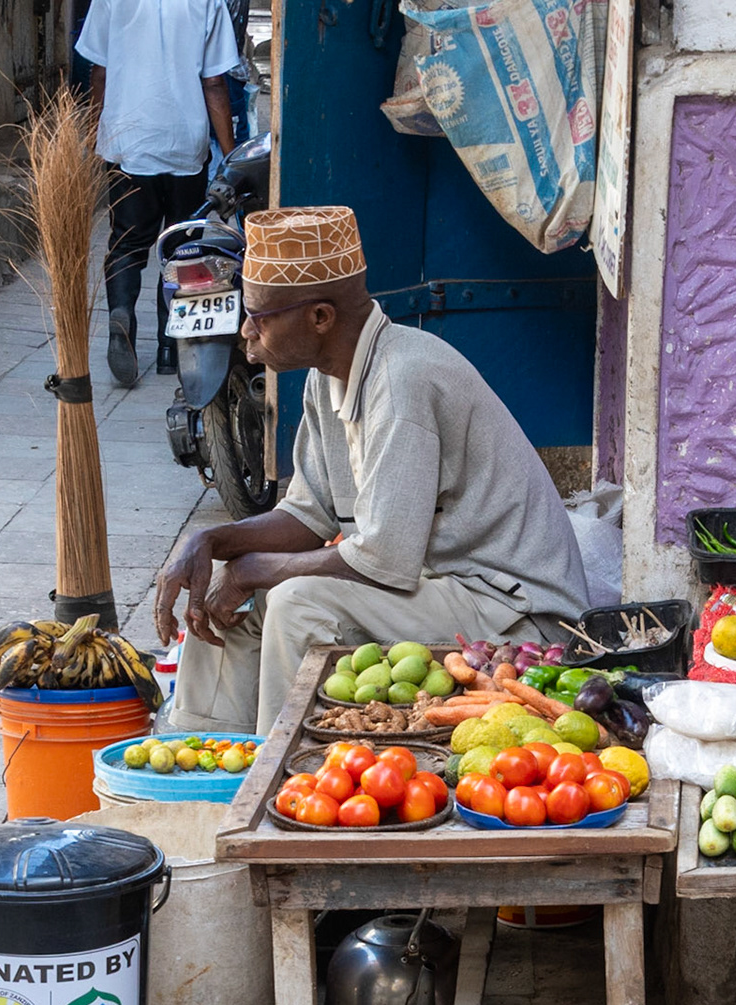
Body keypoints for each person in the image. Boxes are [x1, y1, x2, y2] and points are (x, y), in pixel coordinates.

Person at [156, 207, 590, 735]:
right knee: (233, 602)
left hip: (513, 609)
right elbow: (308, 514)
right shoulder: (326, 376)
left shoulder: (404, 379)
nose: (245, 332)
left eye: (260, 316)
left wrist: (252, 569)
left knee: (294, 603)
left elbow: (382, 558)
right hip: (441, 585)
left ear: (320, 317)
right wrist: (212, 543)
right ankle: (199, 756)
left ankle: (278, 784)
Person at [76, 0, 243, 389]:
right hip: (185, 142)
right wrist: (230, 154)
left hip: (128, 141)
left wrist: (91, 138)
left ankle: (122, 313)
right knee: (184, 245)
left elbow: (98, 74)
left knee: (127, 243)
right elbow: (215, 82)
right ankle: (171, 345)